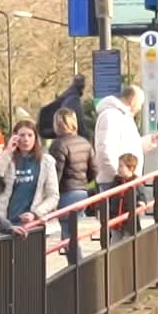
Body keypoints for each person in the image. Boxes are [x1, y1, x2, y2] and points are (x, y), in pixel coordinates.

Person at [92, 85, 158, 246]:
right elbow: (104, 149)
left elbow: (130, 146)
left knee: (128, 227)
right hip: (115, 181)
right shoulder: (110, 116)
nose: (140, 108)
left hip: (127, 179)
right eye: (140, 103)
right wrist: (118, 173)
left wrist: (149, 142)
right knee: (117, 227)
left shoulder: (125, 117)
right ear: (132, 100)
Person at [46, 107, 99, 259]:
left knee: (68, 233)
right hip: (82, 193)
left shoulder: (58, 145)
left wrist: (50, 197)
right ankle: (77, 266)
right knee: (73, 231)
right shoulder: (85, 143)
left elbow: (55, 174)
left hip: (65, 193)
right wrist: (83, 182)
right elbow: (94, 171)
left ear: (57, 124)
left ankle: (77, 268)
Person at [0, 119, 60, 232]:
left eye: (30, 135)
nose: (26, 139)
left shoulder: (46, 161)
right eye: (22, 135)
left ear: (35, 138)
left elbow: (53, 196)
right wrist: (8, 152)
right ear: (15, 137)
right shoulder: (8, 160)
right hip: (8, 224)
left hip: (33, 225)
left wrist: (35, 213)